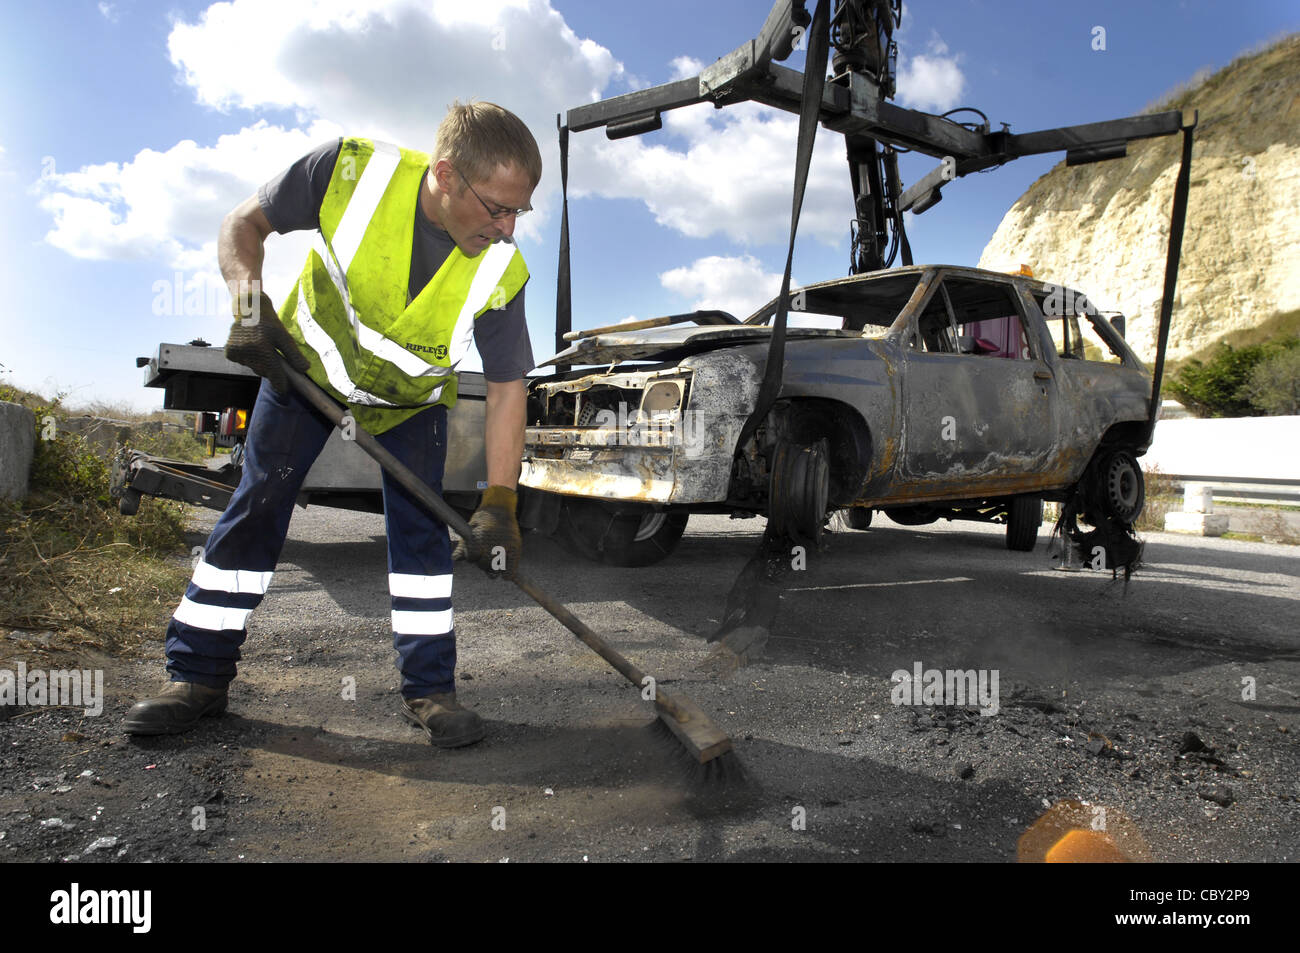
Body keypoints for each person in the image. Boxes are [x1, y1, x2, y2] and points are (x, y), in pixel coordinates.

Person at [123, 101, 540, 748]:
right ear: (448, 175)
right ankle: (197, 676)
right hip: (309, 374)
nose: (509, 229)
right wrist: (247, 306)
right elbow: (244, 221)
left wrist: (500, 500)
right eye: (498, 208)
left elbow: (509, 385)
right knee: (257, 505)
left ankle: (429, 689)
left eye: (521, 211)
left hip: (410, 402)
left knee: (421, 539)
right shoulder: (352, 172)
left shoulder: (500, 268)